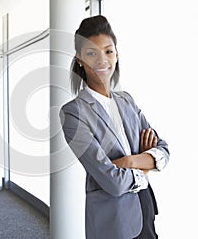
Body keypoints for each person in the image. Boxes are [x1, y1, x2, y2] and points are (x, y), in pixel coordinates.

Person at [59, 15, 169, 239]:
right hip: (114, 220)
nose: (102, 60)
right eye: (91, 53)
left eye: (108, 51)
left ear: (117, 54)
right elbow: (113, 182)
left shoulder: (127, 101)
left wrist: (128, 162)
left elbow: (164, 151)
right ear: (79, 59)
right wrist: (145, 166)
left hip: (144, 207)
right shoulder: (73, 113)